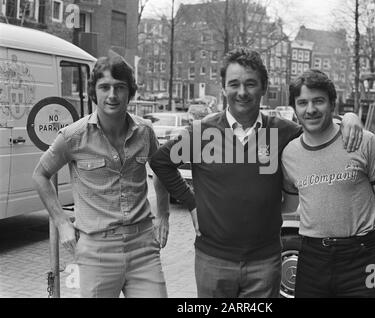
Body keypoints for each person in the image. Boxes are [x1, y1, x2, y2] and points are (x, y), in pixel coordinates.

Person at [150, 48, 363, 298]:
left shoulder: (283, 132)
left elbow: (319, 127)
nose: (242, 92)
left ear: (263, 87)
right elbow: (161, 163)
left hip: (266, 262)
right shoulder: (201, 134)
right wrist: (191, 203)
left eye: (250, 84)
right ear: (223, 88)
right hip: (213, 261)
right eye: (234, 84)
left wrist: (349, 117)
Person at [32, 55, 170, 298]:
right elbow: (41, 175)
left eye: (120, 87)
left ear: (130, 92)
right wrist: (62, 222)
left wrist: (164, 215)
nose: (112, 95)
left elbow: (162, 170)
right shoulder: (73, 136)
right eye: (104, 87)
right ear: (94, 92)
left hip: (143, 248)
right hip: (96, 251)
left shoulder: (145, 132)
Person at [281, 69, 375, 298]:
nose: (310, 109)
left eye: (318, 101)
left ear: (332, 103)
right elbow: (288, 205)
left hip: (364, 258)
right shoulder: (289, 154)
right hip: (311, 260)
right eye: (302, 102)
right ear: (294, 109)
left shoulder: (364, 142)